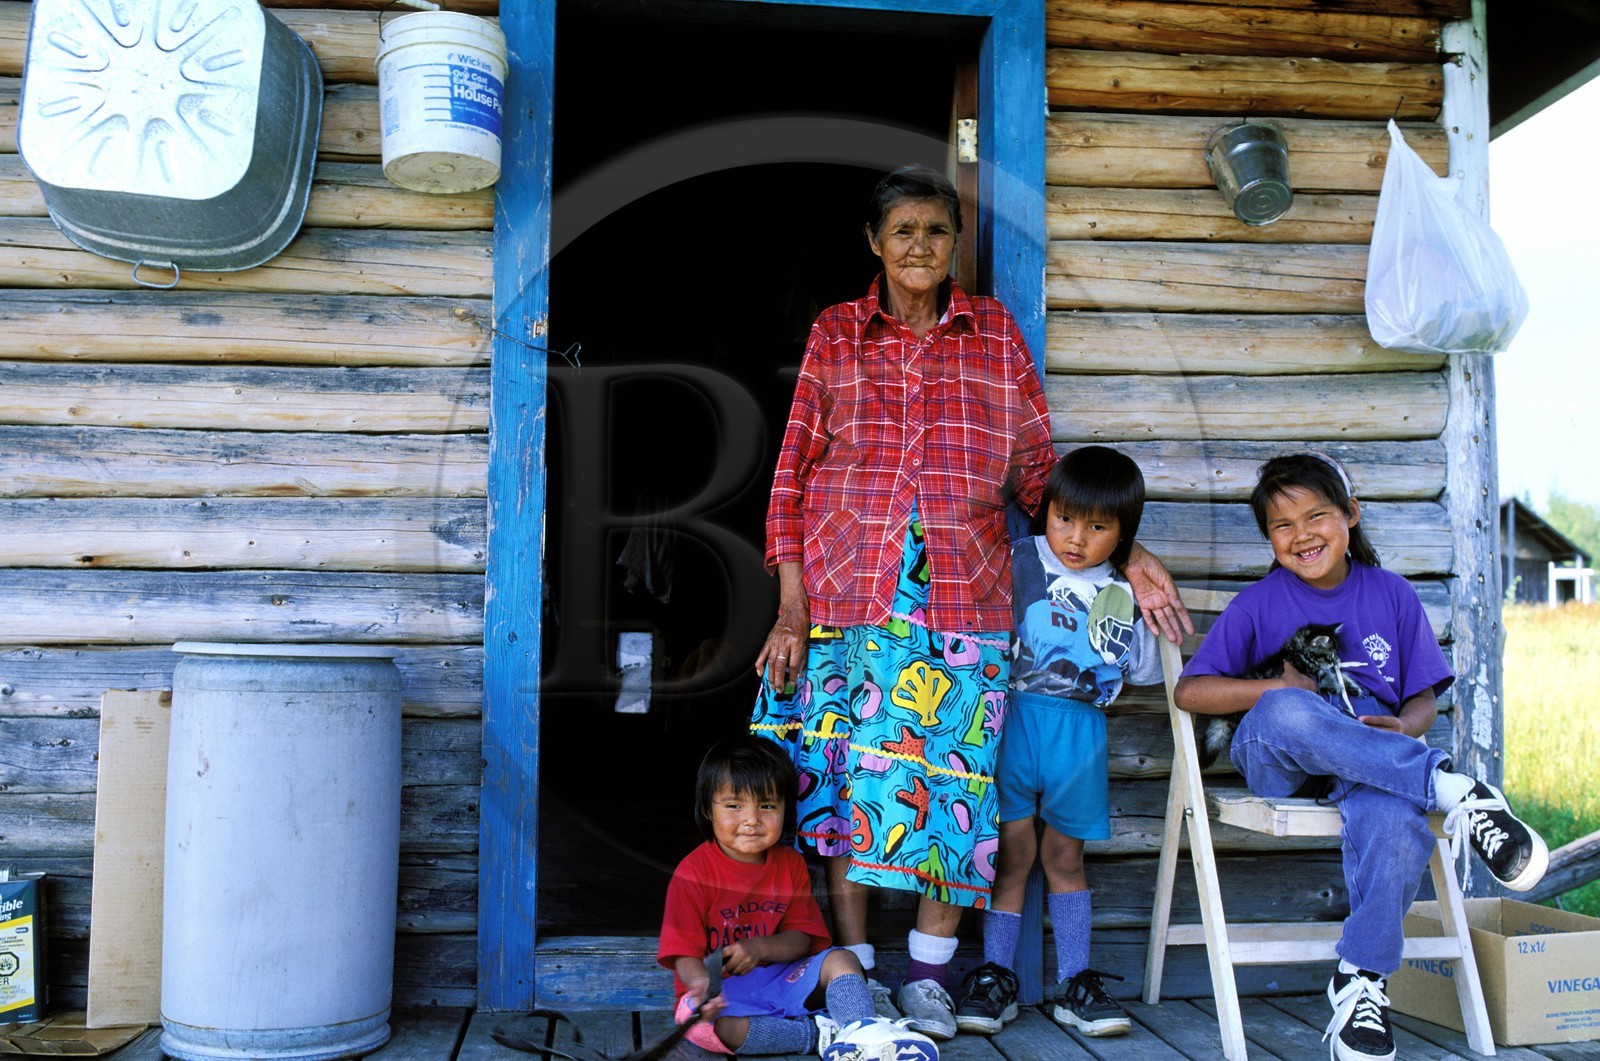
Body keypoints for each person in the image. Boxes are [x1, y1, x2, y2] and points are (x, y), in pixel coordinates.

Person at [749, 164, 1191, 1041]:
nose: (921, 245)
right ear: (875, 243)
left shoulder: (993, 332)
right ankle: (858, 979)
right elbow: (790, 477)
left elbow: (1042, 478)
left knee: (949, 790)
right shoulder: (837, 333)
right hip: (848, 599)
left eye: (937, 231)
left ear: (957, 244)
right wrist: (790, 608)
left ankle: (928, 979)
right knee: (845, 795)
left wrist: (1129, 552)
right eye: (902, 230)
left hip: (966, 598)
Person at [1173, 452, 1548, 1061]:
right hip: (1281, 759)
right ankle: (1452, 789)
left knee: (1398, 817)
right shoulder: (1259, 604)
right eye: (1282, 525)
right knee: (1289, 710)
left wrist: (1404, 724)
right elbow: (1192, 691)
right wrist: (1276, 690)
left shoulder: (1392, 595)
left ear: (1351, 514)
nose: (1301, 535)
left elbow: (1422, 697)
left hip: (1371, 758)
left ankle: (1361, 983)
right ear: (1268, 537)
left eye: (1316, 515)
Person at [953, 446, 1161, 1039]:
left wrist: (1139, 609)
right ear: (1045, 510)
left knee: (1066, 857)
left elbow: (1142, 671)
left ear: (1123, 533)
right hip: (1009, 721)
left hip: (1079, 731)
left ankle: (1076, 982)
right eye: (1065, 518)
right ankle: (996, 976)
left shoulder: (1122, 589)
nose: (1077, 538)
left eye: (1098, 527)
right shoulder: (1016, 560)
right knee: (1011, 856)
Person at [657, 736, 939, 1059]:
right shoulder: (693, 873)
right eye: (734, 805)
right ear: (708, 809)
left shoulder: (789, 864)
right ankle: (819, 1035)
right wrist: (701, 987)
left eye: (767, 806)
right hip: (725, 995)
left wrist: (759, 948)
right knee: (701, 1027)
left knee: (843, 960)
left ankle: (863, 1029)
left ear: (785, 809)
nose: (751, 820)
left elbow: (802, 941)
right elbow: (683, 954)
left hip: (786, 980)